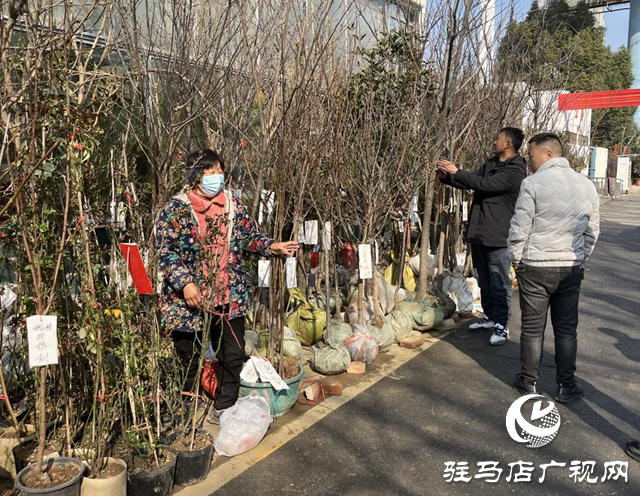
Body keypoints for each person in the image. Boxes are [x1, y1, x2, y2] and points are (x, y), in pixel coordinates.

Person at [156, 149, 299, 423]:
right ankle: (187, 405)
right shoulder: (176, 209)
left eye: (219, 172)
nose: (216, 177)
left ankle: (225, 405)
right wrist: (185, 283)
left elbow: (247, 237)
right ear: (194, 176)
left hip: (228, 294)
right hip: (190, 300)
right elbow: (166, 251)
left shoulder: (232, 204)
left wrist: (271, 246)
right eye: (209, 172)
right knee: (189, 356)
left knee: (232, 354)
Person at [508, 133, 599, 402]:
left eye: (531, 155)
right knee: (566, 330)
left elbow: (520, 227)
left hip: (535, 267)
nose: (529, 160)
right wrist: (580, 258)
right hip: (569, 268)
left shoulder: (532, 184)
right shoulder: (586, 185)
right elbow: (592, 231)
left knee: (532, 329)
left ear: (548, 154)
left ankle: (528, 382)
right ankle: (566, 385)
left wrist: (516, 260)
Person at [437, 127, 527, 346]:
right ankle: (490, 317)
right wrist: (447, 177)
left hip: (498, 236)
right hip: (480, 232)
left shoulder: (516, 170)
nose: (494, 141)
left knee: (499, 283)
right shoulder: (491, 164)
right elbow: (471, 180)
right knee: (484, 281)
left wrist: (457, 171)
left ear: (507, 144)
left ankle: (501, 324)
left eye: (497, 138)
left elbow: (486, 185)